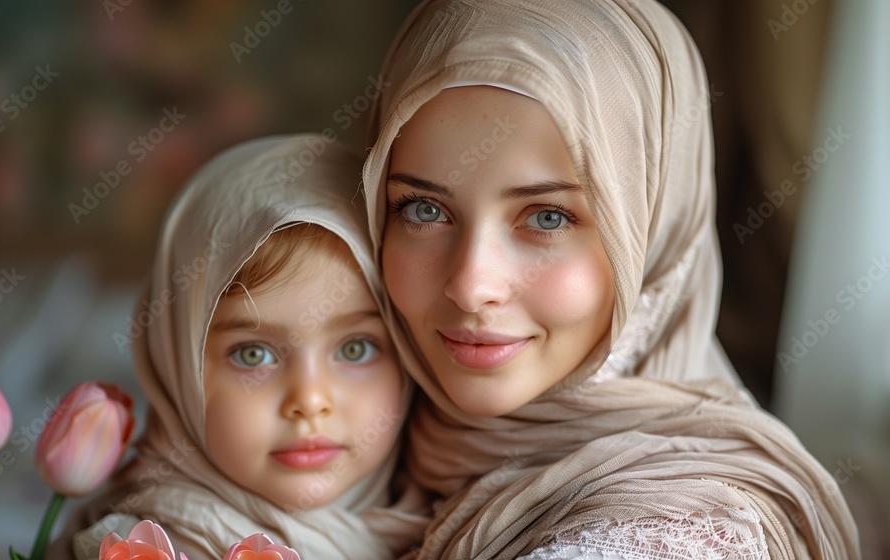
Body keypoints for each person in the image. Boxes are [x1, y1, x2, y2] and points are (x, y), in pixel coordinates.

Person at [361, 0, 860, 558]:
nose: (472, 286)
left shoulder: (670, 532)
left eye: (548, 217)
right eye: (423, 210)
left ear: (655, 232)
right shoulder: (342, 425)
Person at [50, 134, 427, 560]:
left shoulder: (454, 520)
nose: (309, 400)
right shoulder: (155, 548)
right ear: (177, 370)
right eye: (254, 354)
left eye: (356, 348)